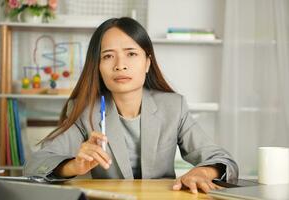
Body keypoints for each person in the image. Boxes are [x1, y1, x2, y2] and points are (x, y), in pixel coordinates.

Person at [24, 17, 238, 194]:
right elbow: (34, 165)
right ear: (97, 66)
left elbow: (222, 160)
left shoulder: (174, 106)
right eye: (108, 56)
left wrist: (203, 173)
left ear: (147, 63)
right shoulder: (84, 111)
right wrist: (74, 165)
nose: (120, 65)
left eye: (131, 54)